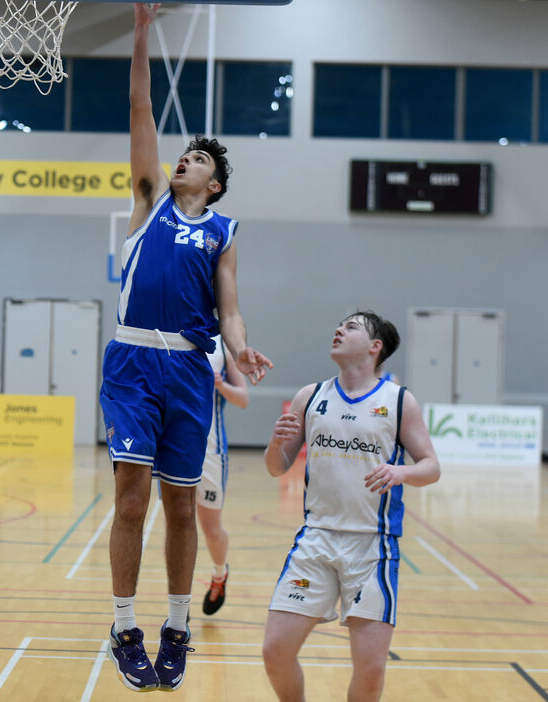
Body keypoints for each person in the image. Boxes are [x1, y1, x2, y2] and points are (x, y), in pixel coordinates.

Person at [99, 4, 273, 692]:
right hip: (134, 360)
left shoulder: (224, 229)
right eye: (183, 154)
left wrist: (242, 350)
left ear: (215, 184)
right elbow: (142, 108)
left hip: (190, 369)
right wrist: (142, 32)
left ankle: (177, 625)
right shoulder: (149, 202)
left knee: (180, 506)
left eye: (197, 159)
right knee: (132, 500)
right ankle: (122, 624)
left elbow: (228, 307)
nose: (183, 160)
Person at [262, 311, 440, 702]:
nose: (339, 329)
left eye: (352, 326)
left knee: (371, 668)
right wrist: (276, 443)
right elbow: (277, 468)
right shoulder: (311, 396)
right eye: (340, 325)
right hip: (317, 540)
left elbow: (431, 466)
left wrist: (401, 473)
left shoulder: (397, 400)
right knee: (275, 651)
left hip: (372, 547)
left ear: (376, 347)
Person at [198, 334, 248, 615]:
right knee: (177, 523)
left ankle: (220, 573)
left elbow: (243, 399)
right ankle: (178, 600)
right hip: (175, 444)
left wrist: (221, 384)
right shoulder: (171, 333)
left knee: (211, 529)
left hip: (211, 449)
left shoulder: (223, 345)